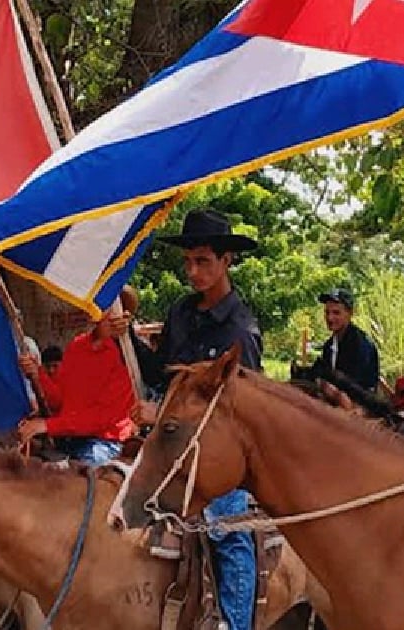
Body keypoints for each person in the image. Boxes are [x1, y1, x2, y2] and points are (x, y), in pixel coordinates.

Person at [133, 208, 260, 630]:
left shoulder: (240, 330)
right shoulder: (181, 313)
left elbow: (243, 407)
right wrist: (127, 339)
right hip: (173, 446)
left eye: (203, 261)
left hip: (219, 454)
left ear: (226, 261)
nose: (192, 271)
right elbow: (160, 371)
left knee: (227, 530)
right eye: (188, 261)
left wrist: (164, 415)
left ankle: (235, 623)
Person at [17, 309, 135, 466]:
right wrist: (37, 375)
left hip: (106, 442)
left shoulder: (126, 354)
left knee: (83, 477)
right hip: (69, 438)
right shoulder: (77, 346)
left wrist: (47, 426)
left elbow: (101, 418)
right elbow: (60, 401)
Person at [309, 288, 380, 392]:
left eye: (336, 313)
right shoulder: (329, 346)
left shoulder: (361, 345)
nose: (330, 318)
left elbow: (357, 386)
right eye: (327, 312)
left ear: (350, 313)